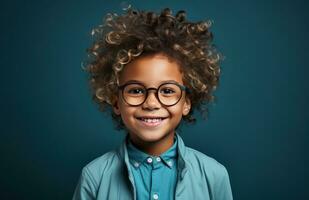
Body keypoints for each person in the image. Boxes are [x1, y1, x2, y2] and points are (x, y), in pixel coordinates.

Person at [73, 6, 233, 200]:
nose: (151, 103)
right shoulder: (94, 177)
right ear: (116, 101)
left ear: (186, 103)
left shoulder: (214, 175)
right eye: (136, 90)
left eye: (167, 91)